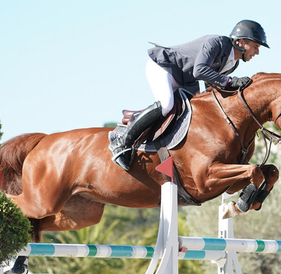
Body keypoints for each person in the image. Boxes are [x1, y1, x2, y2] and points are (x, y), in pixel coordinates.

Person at [115, 20, 269, 171]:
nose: (257, 52)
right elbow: (200, 70)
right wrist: (229, 81)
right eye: (255, 46)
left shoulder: (233, 63)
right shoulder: (216, 43)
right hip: (164, 67)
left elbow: (211, 86)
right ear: (241, 42)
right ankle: (124, 141)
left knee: (196, 115)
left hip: (185, 80)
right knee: (166, 104)